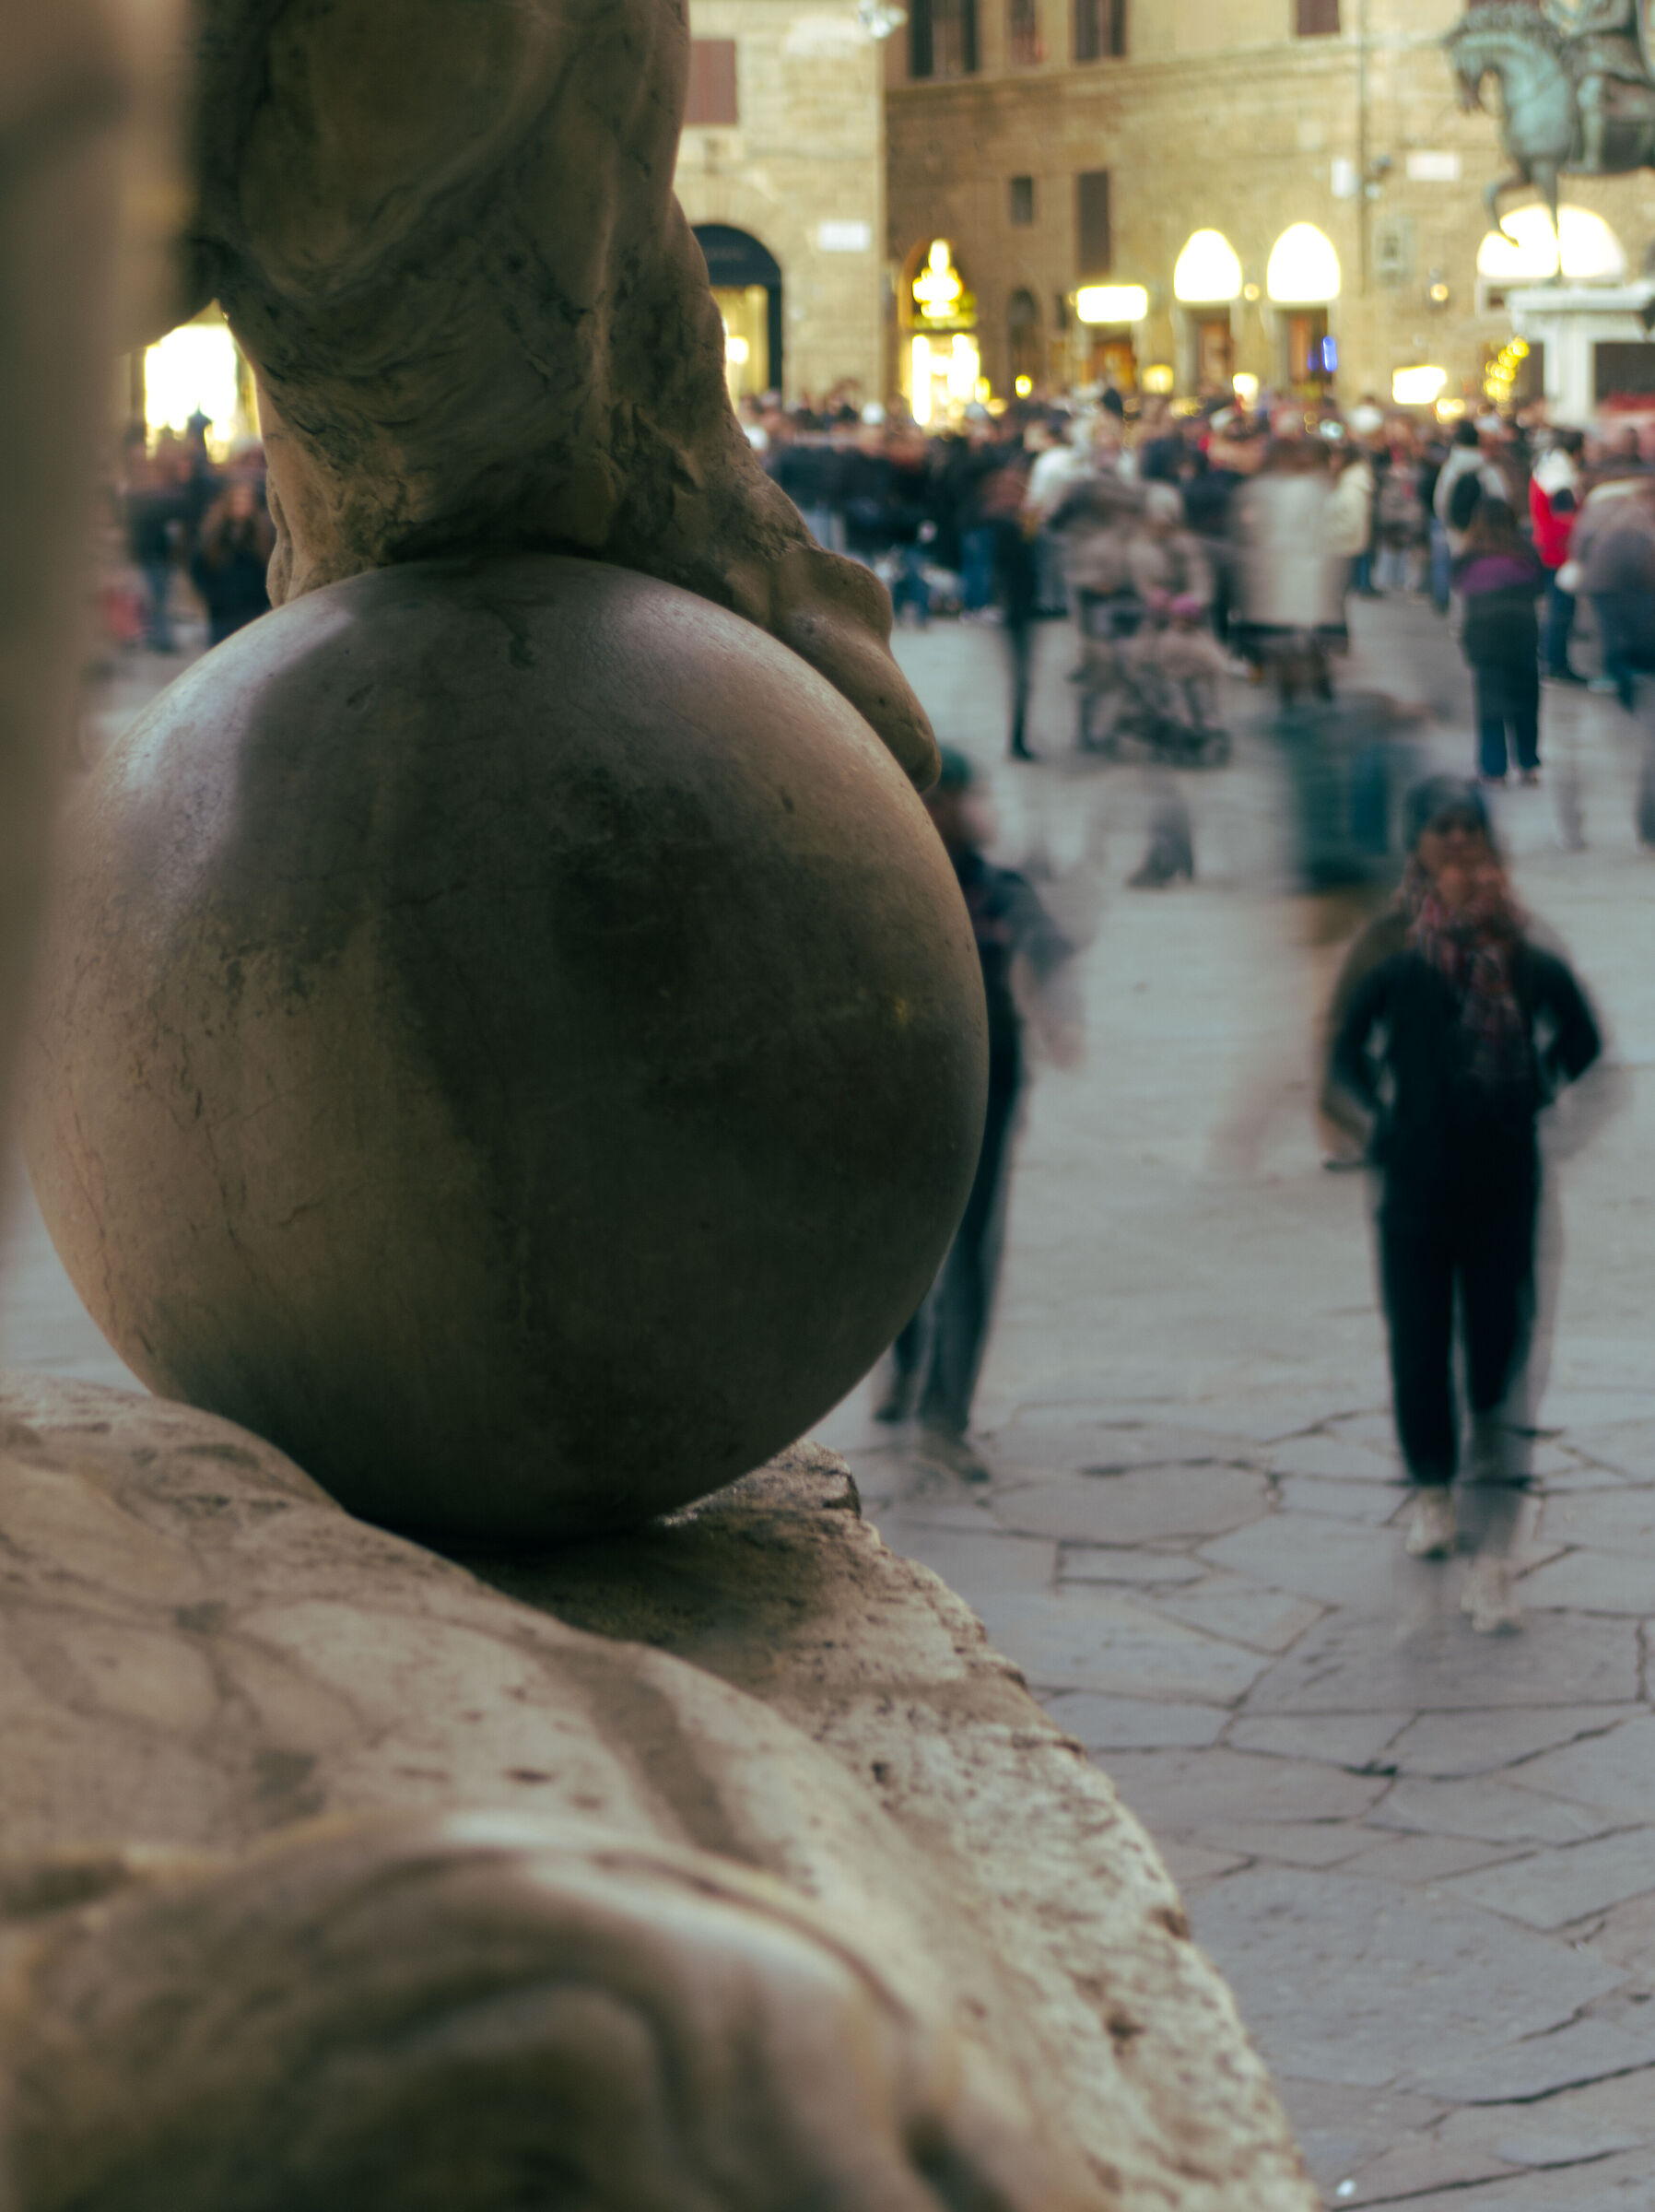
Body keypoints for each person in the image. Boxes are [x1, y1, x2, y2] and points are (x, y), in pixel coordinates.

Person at [1330, 780, 1602, 1631]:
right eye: (1442, 832)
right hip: (1413, 1188)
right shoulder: (1388, 949)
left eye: (1471, 833)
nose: (1458, 848)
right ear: (1418, 848)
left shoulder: (1525, 951)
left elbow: (1585, 1042)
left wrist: (1534, 1096)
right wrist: (1380, 1125)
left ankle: (1496, 1552)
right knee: (1418, 1347)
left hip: (1504, 1188)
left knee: (1498, 1362)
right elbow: (1339, 1057)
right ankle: (1434, 1491)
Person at [877, 747, 1079, 1478]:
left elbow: (1050, 952)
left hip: (986, 1091)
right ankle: (902, 1366)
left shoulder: (996, 890)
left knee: (968, 1252)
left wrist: (1062, 1020)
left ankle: (944, 1417)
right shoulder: (878, 884)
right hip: (898, 1091)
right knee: (901, 1246)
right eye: (930, 798)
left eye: (953, 798)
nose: (944, 813)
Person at [1451, 498, 1545, 785]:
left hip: (1484, 634)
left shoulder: (1469, 556)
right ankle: (1528, 764)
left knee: (1490, 701)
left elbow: (1459, 589)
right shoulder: (1524, 551)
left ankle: (1494, 769)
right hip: (1522, 631)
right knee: (1526, 697)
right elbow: (1539, 588)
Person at [190, 478, 276, 645]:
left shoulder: (263, 534)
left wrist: (263, 598)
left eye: (246, 500)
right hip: (222, 612)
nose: (241, 505)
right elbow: (199, 566)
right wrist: (213, 595)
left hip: (252, 609)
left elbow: (269, 567)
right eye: (237, 500)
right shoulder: (214, 533)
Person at [1530, 429, 1586, 682]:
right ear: (1578, 451)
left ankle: (1550, 659)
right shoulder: (1560, 478)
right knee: (1561, 609)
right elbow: (1565, 520)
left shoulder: (1548, 468)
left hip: (1549, 546)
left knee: (1556, 607)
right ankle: (1555, 663)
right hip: (1558, 551)